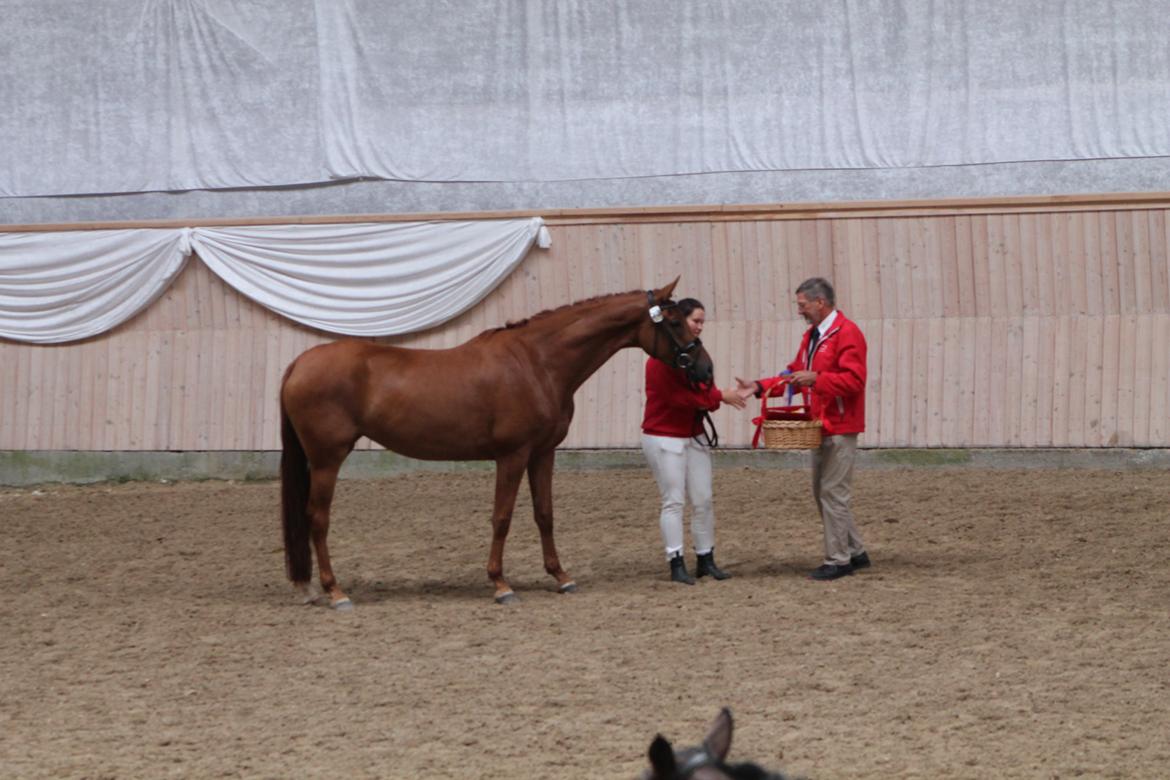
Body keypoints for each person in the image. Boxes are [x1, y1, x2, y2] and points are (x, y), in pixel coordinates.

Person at [736, 277, 870, 581]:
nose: (801, 311)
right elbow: (795, 374)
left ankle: (838, 560)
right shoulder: (813, 336)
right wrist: (759, 387)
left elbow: (854, 381)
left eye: (803, 305)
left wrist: (816, 379)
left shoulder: (847, 334)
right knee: (823, 491)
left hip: (839, 425)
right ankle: (855, 551)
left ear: (819, 302)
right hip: (821, 423)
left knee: (832, 492)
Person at [641, 298, 746, 584]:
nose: (699, 327)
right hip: (665, 435)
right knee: (673, 501)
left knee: (703, 499)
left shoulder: (695, 353)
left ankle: (705, 557)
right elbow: (678, 399)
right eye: (695, 321)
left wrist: (711, 399)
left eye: (701, 322)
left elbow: (704, 392)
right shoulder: (659, 360)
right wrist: (717, 397)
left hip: (693, 434)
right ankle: (675, 560)